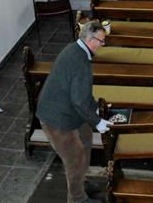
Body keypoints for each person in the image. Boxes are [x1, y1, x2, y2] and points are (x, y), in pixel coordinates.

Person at [36, 21, 113, 203]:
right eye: (101, 41)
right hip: (57, 119)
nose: (103, 45)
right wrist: (98, 122)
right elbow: (78, 100)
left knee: (85, 138)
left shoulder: (76, 50)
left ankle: (81, 182)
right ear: (89, 39)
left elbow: (81, 93)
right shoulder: (79, 61)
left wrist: (94, 107)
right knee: (75, 158)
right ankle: (77, 199)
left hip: (68, 111)